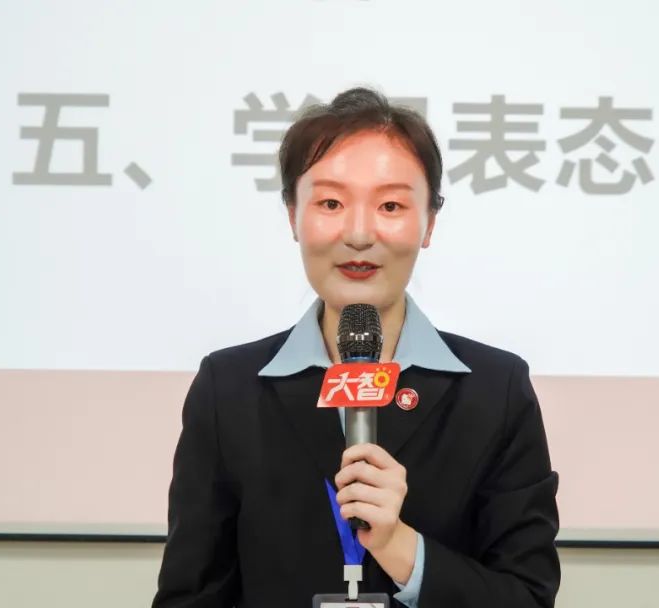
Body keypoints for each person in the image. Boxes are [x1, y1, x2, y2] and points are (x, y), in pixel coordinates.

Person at [152, 87, 560, 608]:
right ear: (292, 216)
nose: (360, 234)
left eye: (390, 205)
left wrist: (399, 546)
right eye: (330, 203)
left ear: (429, 223)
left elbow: (527, 597)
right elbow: (189, 597)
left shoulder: (495, 391)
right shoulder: (227, 390)